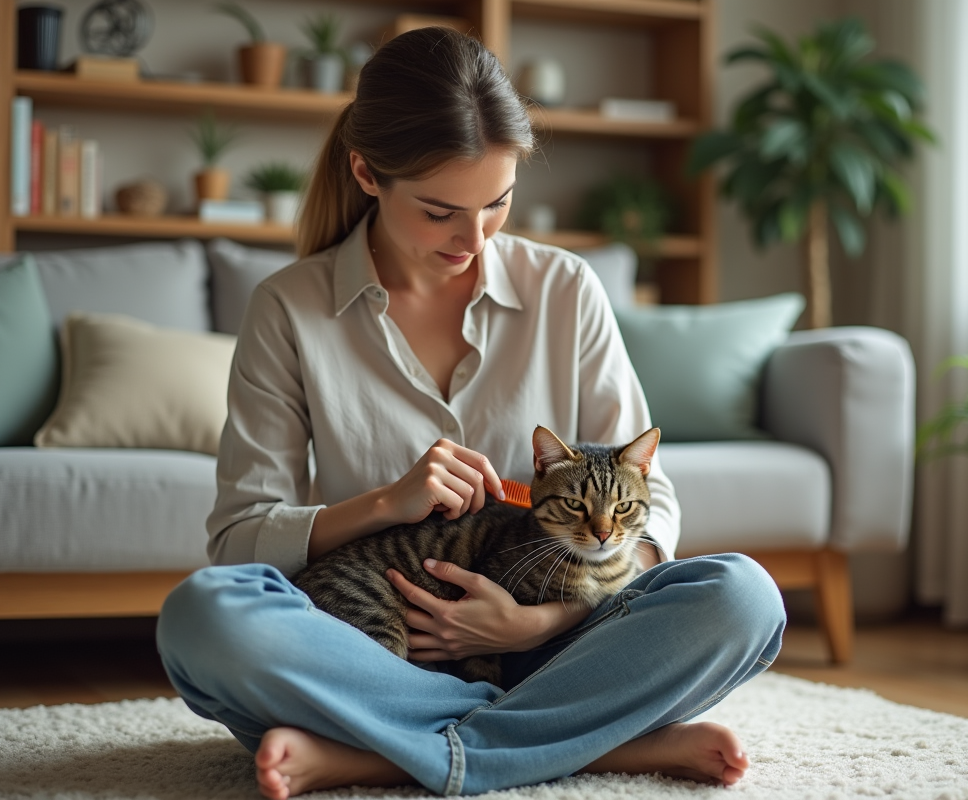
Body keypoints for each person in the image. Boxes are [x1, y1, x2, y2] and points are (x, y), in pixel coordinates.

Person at [155, 27, 786, 800]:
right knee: (203, 617)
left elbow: (649, 502)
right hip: (369, 650)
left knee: (744, 597)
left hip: (555, 640)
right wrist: (386, 503)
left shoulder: (567, 289)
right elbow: (239, 542)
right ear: (366, 173)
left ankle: (383, 753)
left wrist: (534, 627)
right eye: (439, 210)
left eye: (498, 203)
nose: (474, 237)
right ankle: (581, 742)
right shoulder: (288, 308)